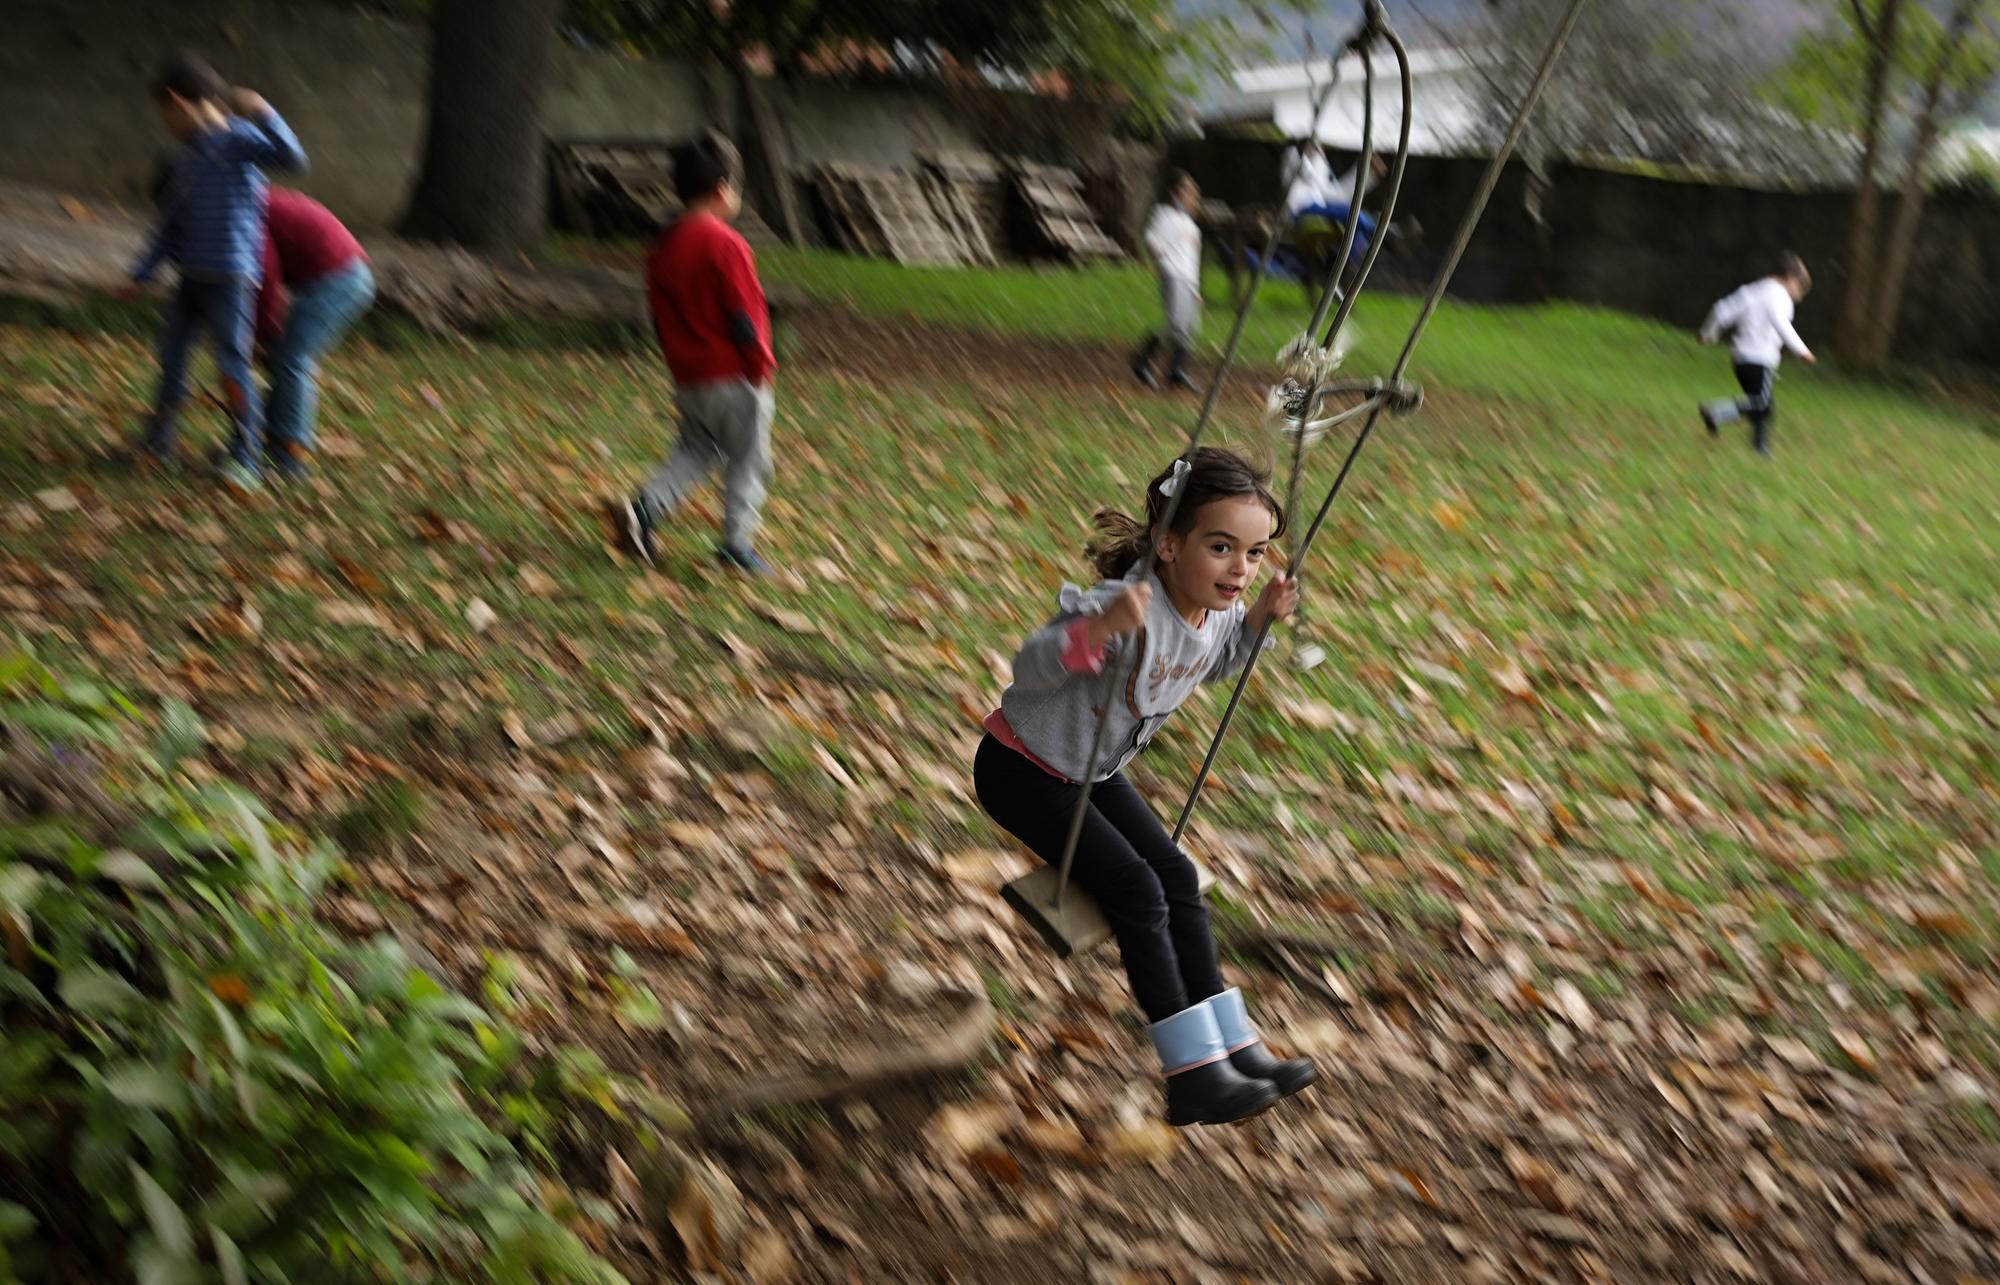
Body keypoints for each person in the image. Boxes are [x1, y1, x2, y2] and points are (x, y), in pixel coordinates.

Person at [973, 447, 1316, 1127]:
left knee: (1177, 878)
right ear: (1168, 545)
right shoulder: (1122, 604)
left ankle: (1232, 1046)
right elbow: (1031, 666)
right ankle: (1191, 1072)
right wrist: (1097, 630)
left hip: (1090, 771)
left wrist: (1258, 622)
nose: (1240, 569)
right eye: (1221, 547)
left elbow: (1215, 662)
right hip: (1023, 770)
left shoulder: (1216, 612)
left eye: (1254, 553)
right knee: (1136, 887)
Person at [124, 51, 307, 493]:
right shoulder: (186, 161)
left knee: (232, 365)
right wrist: (141, 274)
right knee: (172, 359)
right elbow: (170, 225)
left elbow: (293, 158)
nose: (167, 126)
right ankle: (158, 444)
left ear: (177, 102)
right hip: (190, 280)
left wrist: (264, 111)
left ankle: (246, 458)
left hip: (230, 279)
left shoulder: (240, 139)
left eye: (165, 115)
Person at [612, 130, 777, 575]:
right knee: (748, 458)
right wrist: (760, 365)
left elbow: (660, 314)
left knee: (696, 450)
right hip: (734, 377)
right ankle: (738, 544)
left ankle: (645, 510)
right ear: (724, 189)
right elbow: (745, 314)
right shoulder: (727, 245)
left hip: (689, 377)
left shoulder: (662, 248)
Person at [251, 187, 375, 479]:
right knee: (284, 359)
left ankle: (289, 461)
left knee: (291, 360)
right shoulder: (259, 196)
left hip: (341, 282)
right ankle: (265, 445)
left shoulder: (249, 211)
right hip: (345, 276)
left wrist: (261, 335)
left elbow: (267, 280)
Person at [1699, 252, 1816, 457]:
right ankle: (1717, 412)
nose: (1800, 294)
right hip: (1760, 359)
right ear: (1789, 277)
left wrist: (1707, 334)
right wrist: (1802, 351)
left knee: (1761, 405)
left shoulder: (1752, 290)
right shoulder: (1779, 296)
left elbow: (1721, 310)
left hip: (1740, 359)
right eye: (1801, 286)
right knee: (1762, 404)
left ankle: (1760, 447)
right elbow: (1781, 323)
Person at [1131, 170, 1203, 393]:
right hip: (1173, 273)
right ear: (1174, 193)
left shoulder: (1192, 226)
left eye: (1192, 195)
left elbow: (1193, 260)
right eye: (1186, 193)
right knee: (1176, 324)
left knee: (1190, 326)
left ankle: (1176, 369)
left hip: (1188, 279)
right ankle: (1143, 361)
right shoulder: (1164, 215)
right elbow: (1152, 238)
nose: (1190, 199)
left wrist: (1196, 288)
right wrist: (1160, 256)